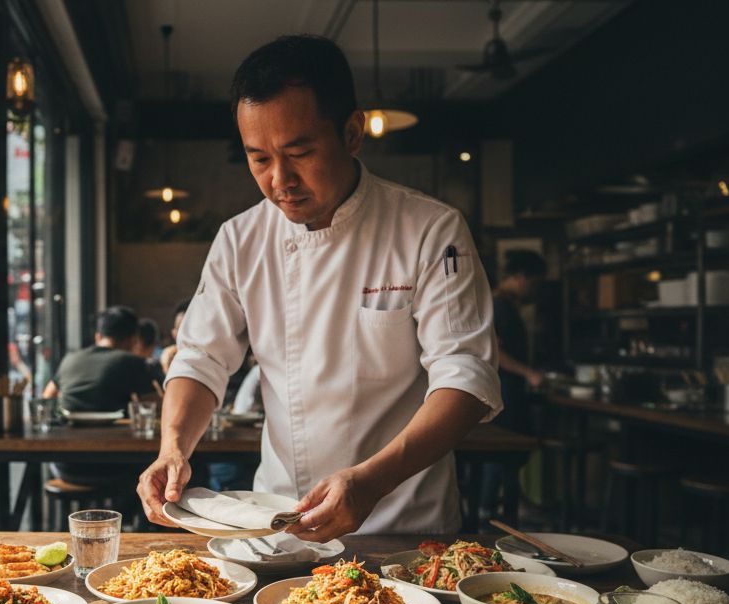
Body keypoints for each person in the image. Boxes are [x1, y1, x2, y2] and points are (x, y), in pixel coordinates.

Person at [137, 36, 502, 542]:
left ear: (352, 133)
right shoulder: (240, 240)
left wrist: (371, 482)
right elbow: (200, 359)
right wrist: (173, 448)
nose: (279, 180)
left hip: (402, 529)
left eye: (300, 152)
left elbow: (465, 377)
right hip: (277, 525)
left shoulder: (430, 229)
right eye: (259, 159)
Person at [42, 306, 155, 484]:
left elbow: (46, 398)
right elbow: (154, 407)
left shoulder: (70, 358)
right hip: (115, 466)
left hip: (65, 466)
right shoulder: (133, 362)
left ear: (98, 336)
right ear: (134, 339)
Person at [478, 250, 547, 518]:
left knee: (507, 456)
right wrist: (529, 373)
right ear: (521, 277)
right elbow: (495, 351)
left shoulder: (504, 304)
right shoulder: (499, 305)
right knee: (502, 452)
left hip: (508, 389)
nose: (535, 291)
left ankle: (501, 508)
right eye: (535, 283)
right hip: (503, 390)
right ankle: (489, 511)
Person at [159, 299, 191, 375]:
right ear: (174, 333)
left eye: (190, 329)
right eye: (180, 329)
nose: (186, 335)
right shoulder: (166, 360)